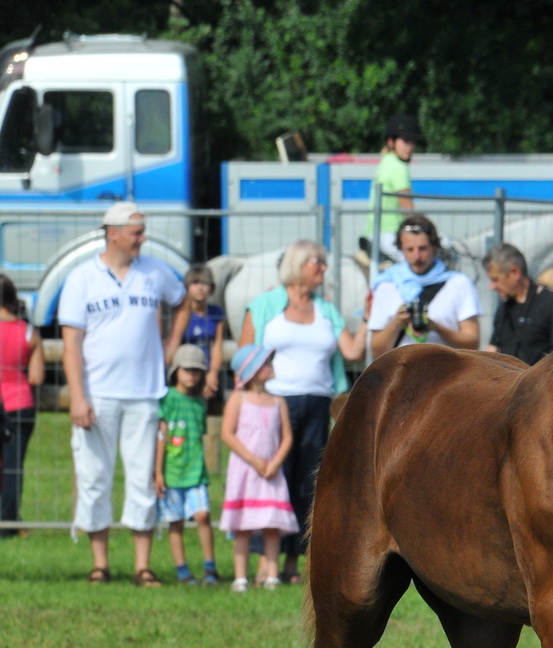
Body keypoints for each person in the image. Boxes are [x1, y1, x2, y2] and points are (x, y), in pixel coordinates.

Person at [59, 201, 187, 585]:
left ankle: (142, 566)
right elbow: (70, 344)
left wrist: (170, 347)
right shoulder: (82, 278)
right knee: (94, 476)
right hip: (97, 394)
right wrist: (77, 396)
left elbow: (182, 302)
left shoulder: (155, 272)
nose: (142, 239)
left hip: (145, 392)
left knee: (142, 479)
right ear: (113, 233)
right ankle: (100, 564)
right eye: (136, 233)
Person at [237, 240, 365, 583]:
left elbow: (352, 352)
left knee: (308, 483)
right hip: (273, 405)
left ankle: (294, 561)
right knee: (271, 480)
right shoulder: (264, 305)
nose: (323, 268)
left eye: (323, 262)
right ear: (296, 265)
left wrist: (369, 318)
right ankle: (264, 561)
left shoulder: (327, 310)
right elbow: (245, 356)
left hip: (318, 404)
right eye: (316, 262)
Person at [220, 343, 297, 592]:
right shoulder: (238, 399)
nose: (270, 367)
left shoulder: (277, 401)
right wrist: (253, 460)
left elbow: (287, 437)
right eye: (265, 364)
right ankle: (240, 577)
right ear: (252, 370)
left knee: (272, 525)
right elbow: (227, 434)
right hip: (246, 471)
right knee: (243, 527)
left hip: (271, 473)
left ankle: (272, 576)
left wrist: (275, 462)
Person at [368, 214, 481, 357]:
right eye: (410, 249)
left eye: (422, 248)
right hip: (403, 370)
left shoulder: (459, 283)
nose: (417, 256)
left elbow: (473, 343)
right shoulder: (386, 285)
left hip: (447, 369)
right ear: (401, 249)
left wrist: (437, 328)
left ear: (434, 247)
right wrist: (397, 323)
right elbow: (376, 350)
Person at [155, 343, 218, 585]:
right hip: (172, 473)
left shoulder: (201, 402)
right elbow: (162, 436)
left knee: (203, 515)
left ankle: (210, 568)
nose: (191, 375)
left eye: (197, 370)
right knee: (176, 522)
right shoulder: (168, 399)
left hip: (196, 472)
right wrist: (158, 472)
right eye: (186, 369)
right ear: (176, 372)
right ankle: (183, 571)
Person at [0, 274, 45, 536]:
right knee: (13, 466)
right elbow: (36, 377)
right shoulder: (28, 332)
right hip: (19, 403)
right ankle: (8, 524)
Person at [483, 243, 553, 366]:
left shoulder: (552, 304)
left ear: (515, 272)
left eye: (495, 279)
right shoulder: (503, 308)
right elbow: (492, 350)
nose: (491, 287)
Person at [167, 265, 226, 398]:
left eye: (204, 283)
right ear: (187, 286)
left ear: (211, 287)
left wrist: (213, 374)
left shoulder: (217, 313)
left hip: (206, 370)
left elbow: (217, 346)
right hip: (183, 371)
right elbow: (172, 345)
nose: (200, 287)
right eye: (195, 283)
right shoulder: (179, 313)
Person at [372, 113, 424, 253]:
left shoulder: (386, 162)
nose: (410, 146)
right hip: (390, 234)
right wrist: (426, 229)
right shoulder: (399, 166)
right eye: (405, 141)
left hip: (376, 234)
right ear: (391, 142)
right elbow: (408, 210)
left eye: (412, 141)